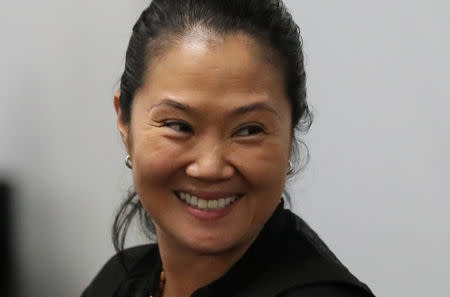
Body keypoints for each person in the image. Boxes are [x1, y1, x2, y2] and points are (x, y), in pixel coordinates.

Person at [81, 0, 375, 296]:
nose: (210, 167)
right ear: (124, 120)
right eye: (179, 126)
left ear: (290, 135)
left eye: (249, 130)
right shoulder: (117, 280)